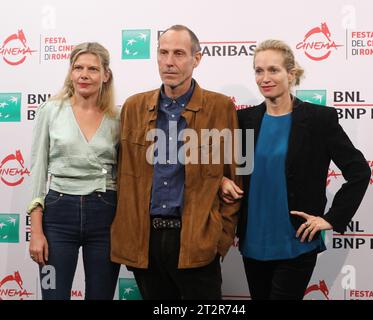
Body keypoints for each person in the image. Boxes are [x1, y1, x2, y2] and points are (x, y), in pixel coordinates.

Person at [219, 39, 371, 300]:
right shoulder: (244, 121)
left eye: (273, 70)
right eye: (259, 70)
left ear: (291, 74)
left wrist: (331, 218)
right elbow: (224, 167)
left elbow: (359, 172)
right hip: (253, 243)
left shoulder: (319, 120)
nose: (265, 78)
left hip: (296, 242)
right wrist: (221, 179)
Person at [110, 25, 241, 300]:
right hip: (145, 242)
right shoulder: (133, 107)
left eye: (179, 53)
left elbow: (234, 180)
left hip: (196, 239)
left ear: (197, 59)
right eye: (163, 53)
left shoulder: (220, 107)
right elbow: (123, 173)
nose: (169, 62)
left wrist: (219, 239)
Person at [28, 42, 121, 300]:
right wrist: (36, 232)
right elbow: (37, 171)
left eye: (92, 69)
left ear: (105, 75)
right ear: (70, 72)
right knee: (52, 295)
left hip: (105, 214)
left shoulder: (119, 116)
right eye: (78, 67)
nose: (84, 74)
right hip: (57, 214)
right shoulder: (50, 111)